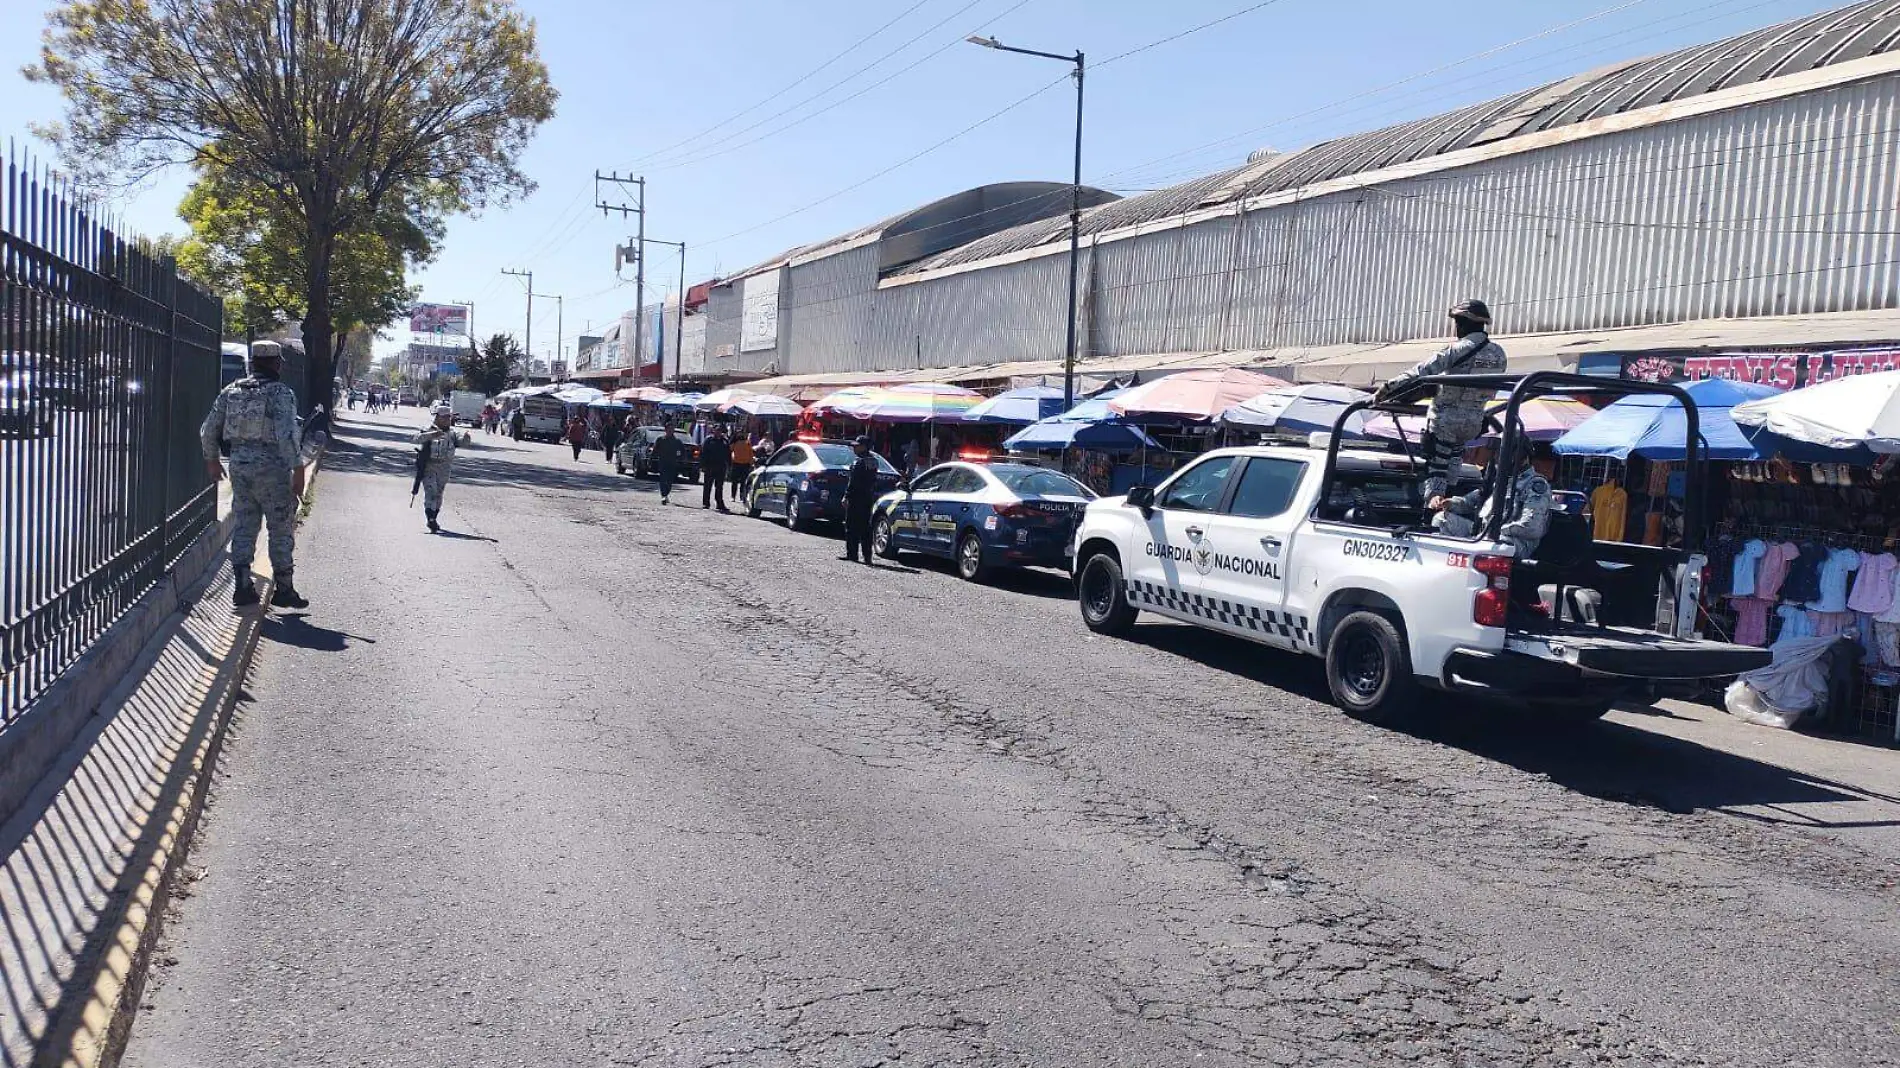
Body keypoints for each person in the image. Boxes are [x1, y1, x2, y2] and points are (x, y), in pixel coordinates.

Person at [199, 340, 309, 609]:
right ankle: (284, 588)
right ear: (275, 363)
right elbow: (286, 435)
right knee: (280, 526)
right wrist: (298, 468)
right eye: (279, 361)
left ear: (252, 363)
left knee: (245, 524)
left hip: (239, 466)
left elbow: (208, 428)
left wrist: (212, 460)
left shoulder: (231, 391)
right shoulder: (280, 393)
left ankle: (243, 585)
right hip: (272, 469)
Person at [1375, 298, 1506, 500]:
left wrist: (1386, 389)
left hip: (1444, 422)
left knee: (1436, 469)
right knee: (1453, 464)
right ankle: (1448, 500)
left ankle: (1431, 511)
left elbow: (1421, 372)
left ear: (1463, 323)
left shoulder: (1457, 349)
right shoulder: (1499, 354)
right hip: (1473, 423)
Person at [1429, 443, 1552, 559]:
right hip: (1485, 533)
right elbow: (1469, 502)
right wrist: (1448, 503)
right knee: (1441, 520)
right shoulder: (1501, 481)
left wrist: (1497, 529)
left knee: (1486, 542)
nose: (1497, 457)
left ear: (1521, 456)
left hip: (1515, 541)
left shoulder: (1535, 484)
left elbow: (1531, 528)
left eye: (1503, 452)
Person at [415, 402, 470, 532]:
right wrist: (431, 435)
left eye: (448, 417)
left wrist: (467, 438)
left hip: (444, 467)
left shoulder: (452, 433)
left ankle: (434, 517)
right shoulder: (428, 428)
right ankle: (430, 519)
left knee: (439, 493)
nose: (447, 420)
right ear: (437, 417)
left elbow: (462, 442)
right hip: (429, 466)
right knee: (431, 492)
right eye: (444, 417)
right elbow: (416, 439)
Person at [840, 435, 881, 565]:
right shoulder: (874, 461)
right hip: (868, 498)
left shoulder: (858, 462)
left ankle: (852, 555)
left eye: (857, 446)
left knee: (851, 527)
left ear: (864, 446)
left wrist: (846, 496)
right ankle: (867, 556)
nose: (854, 448)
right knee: (865, 528)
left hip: (856, 498)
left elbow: (853, 482)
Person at [699, 424, 732, 512]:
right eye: (717, 430)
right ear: (713, 430)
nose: (718, 432)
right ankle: (706, 503)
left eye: (720, 430)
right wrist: (702, 465)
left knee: (719, 487)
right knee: (707, 486)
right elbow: (703, 453)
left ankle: (719, 504)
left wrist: (729, 466)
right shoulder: (708, 440)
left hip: (721, 467)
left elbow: (728, 454)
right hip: (710, 466)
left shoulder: (725, 441)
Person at [652, 424, 686, 505]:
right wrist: (653, 457)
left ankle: (666, 493)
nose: (670, 431)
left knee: (670, 480)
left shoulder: (677, 441)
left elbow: (682, 451)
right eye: (669, 429)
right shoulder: (660, 439)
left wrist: (680, 458)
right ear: (665, 430)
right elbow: (655, 450)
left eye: (672, 429)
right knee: (663, 479)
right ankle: (663, 495)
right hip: (663, 462)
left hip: (672, 463)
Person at [728, 432, 754, 501]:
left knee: (739, 482)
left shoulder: (747, 443)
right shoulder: (738, 443)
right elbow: (730, 450)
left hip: (742, 464)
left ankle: (739, 496)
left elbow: (750, 454)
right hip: (738, 464)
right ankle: (736, 496)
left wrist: (751, 463)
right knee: (738, 482)